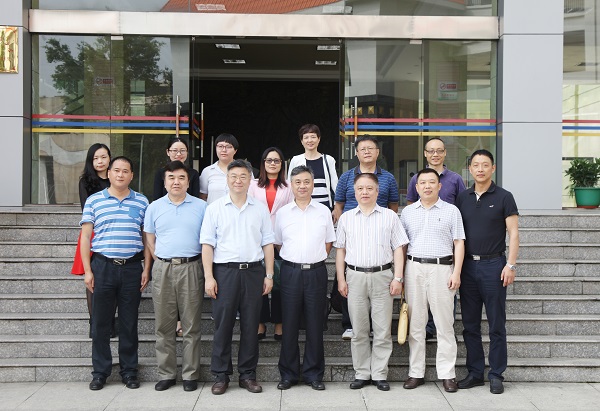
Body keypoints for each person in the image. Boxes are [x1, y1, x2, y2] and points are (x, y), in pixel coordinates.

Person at [200, 159, 275, 395]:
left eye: (243, 176)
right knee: (223, 325)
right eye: (234, 176)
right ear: (227, 179)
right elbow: (207, 245)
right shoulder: (214, 208)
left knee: (251, 326)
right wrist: (209, 277)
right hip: (225, 272)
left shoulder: (260, 208)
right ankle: (221, 375)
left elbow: (268, 243)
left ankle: (247, 375)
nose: (238, 180)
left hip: (253, 272)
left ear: (250, 180)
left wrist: (269, 274)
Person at [80, 156, 151, 391]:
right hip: (103, 267)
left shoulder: (142, 201)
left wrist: (147, 269)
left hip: (132, 268)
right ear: (109, 173)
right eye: (116, 170)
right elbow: (85, 237)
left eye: (125, 171)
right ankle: (100, 372)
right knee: (100, 323)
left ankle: (129, 371)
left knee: (129, 323)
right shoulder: (94, 201)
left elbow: (147, 238)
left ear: (132, 176)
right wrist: (88, 270)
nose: (121, 175)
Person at [335, 173, 408, 392]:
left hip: (383, 276)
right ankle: (362, 373)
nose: (364, 192)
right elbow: (340, 251)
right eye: (360, 189)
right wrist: (341, 278)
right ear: (354, 192)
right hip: (355, 276)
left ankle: (379, 374)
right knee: (358, 330)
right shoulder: (346, 218)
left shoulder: (390, 216)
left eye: (369, 188)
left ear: (377, 191)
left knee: (382, 329)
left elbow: (399, 248)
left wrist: (398, 277)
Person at [455, 149, 519, 395]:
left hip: (494, 266)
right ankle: (475, 373)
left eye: (485, 165)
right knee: (470, 325)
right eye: (475, 165)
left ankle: (496, 374)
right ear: (470, 169)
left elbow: (513, 233)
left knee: (496, 324)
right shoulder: (462, 198)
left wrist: (510, 265)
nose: (480, 169)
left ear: (493, 168)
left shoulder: (504, 196)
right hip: (468, 267)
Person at [400, 168, 465, 393]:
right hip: (414, 268)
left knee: (444, 324)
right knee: (416, 324)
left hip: (442, 269)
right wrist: (400, 275)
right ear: (416, 187)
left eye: (431, 182)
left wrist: (456, 272)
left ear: (439, 186)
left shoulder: (451, 211)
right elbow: (402, 246)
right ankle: (415, 373)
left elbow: (459, 242)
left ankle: (448, 374)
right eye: (423, 183)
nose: (427, 186)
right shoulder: (407, 212)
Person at [144, 161, 207, 392]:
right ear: (165, 182)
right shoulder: (154, 207)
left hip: (192, 267)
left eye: (181, 177)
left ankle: (190, 375)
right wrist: (160, 260)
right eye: (171, 178)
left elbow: (208, 239)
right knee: (164, 325)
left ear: (188, 182)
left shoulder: (202, 206)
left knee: (191, 325)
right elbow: (149, 238)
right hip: (163, 268)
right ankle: (167, 374)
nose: (176, 182)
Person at [332, 135, 400, 341]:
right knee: (348, 282)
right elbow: (338, 205)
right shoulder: (346, 177)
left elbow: (393, 205)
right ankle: (349, 324)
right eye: (363, 149)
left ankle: (373, 325)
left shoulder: (388, 178)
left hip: (378, 231)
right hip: (352, 232)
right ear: (356, 153)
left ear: (378, 152)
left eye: (371, 148)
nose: (367, 152)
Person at [274, 165, 336, 391]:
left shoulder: (323, 211)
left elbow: (328, 243)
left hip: (316, 272)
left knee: (315, 324)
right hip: (290, 272)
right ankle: (288, 374)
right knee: (289, 323)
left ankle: (313, 373)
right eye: (298, 182)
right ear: (291, 185)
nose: (302, 186)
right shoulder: (282, 213)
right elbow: (278, 243)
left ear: (313, 184)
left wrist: (313, 259)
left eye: (307, 182)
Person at [406, 137, 466, 340]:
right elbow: (412, 206)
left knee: (445, 298)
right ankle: (428, 328)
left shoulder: (455, 179)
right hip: (421, 247)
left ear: (445, 153)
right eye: (431, 151)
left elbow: (461, 207)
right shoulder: (417, 178)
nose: (435, 154)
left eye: (439, 150)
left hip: (446, 241)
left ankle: (440, 327)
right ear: (425, 154)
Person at [248, 147, 293, 341]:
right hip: (257, 239)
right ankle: (260, 322)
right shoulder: (253, 185)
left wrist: (282, 239)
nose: (272, 163)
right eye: (269, 160)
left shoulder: (289, 186)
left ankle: (279, 323)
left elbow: (291, 212)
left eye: (276, 160)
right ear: (263, 163)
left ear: (282, 164)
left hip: (281, 240)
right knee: (259, 282)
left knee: (280, 283)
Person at [71, 143, 114, 338]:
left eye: (103, 157)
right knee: (93, 280)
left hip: (113, 233)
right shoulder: (86, 181)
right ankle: (94, 322)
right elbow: (86, 211)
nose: (100, 161)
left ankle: (110, 321)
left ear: (109, 158)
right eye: (96, 158)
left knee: (111, 280)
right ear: (91, 161)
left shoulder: (115, 178)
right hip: (93, 232)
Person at [287, 124, 338, 210]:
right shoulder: (296, 160)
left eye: (313, 137)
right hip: (302, 206)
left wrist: (336, 207)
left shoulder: (328, 160)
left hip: (324, 206)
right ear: (302, 141)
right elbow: (290, 184)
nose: (310, 140)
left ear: (319, 139)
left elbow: (335, 185)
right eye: (306, 137)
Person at [153, 137, 200, 201]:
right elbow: (157, 199)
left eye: (182, 150)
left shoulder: (193, 173)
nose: (179, 154)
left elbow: (196, 198)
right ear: (168, 152)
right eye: (175, 150)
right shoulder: (160, 173)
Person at [199, 133, 239, 204]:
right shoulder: (207, 171)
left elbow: (251, 193)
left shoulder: (244, 170)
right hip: (213, 210)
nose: (224, 150)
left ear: (235, 150)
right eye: (220, 146)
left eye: (228, 147)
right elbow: (203, 196)